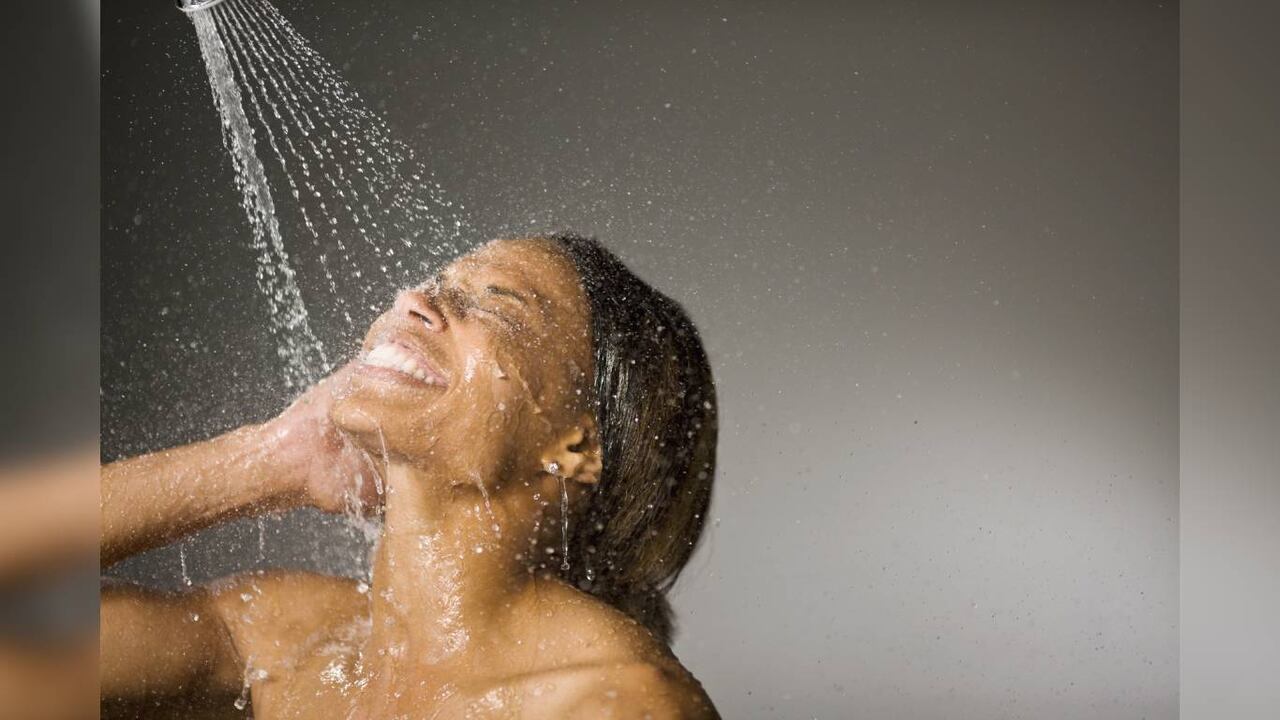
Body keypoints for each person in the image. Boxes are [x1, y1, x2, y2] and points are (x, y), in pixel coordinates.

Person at [100, 234, 721, 719]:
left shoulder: (614, 705)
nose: (411, 301)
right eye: (436, 284)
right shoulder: (285, 643)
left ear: (578, 444)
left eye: (497, 303)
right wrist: (275, 458)